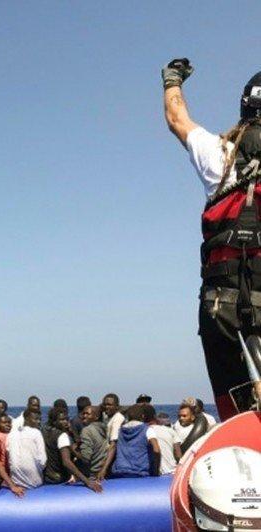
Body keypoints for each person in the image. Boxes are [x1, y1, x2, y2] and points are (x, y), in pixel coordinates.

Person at [162, 58, 261, 419]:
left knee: (235, 407)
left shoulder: (217, 153)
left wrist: (172, 80)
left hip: (220, 307)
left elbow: (177, 118)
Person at [42, 407, 102, 492]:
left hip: (46, 478)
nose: (66, 422)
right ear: (54, 421)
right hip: (59, 479)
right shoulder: (62, 436)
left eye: (67, 419)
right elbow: (66, 462)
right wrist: (87, 482)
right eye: (62, 420)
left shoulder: (43, 432)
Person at [110, 404, 161, 478]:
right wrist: (156, 470)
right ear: (143, 416)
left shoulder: (120, 431)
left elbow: (113, 446)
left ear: (128, 416)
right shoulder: (147, 430)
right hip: (140, 471)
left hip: (120, 470)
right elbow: (156, 450)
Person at [6, 410, 46, 489]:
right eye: (36, 419)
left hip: (16, 481)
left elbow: (9, 456)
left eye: (39, 419)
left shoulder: (11, 434)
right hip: (34, 483)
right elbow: (43, 461)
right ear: (26, 418)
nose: (38, 422)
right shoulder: (37, 433)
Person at [0, 413, 25, 497]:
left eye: (9, 422)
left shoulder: (6, 435)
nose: (8, 425)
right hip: (3, 474)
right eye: (4, 422)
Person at [96, 393, 125, 480]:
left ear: (117, 406)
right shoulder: (107, 417)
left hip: (113, 460)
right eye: (105, 404)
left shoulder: (117, 419)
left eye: (109, 405)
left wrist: (104, 469)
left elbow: (113, 445)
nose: (106, 407)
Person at [78, 405, 109, 478]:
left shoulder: (86, 431)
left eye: (87, 414)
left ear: (96, 417)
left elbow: (86, 458)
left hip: (92, 474)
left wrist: (72, 449)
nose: (84, 416)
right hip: (103, 472)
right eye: (83, 413)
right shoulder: (103, 428)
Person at [149, 410, 178, 475]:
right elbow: (177, 452)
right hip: (172, 469)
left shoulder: (148, 430)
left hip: (155, 471)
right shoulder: (171, 431)